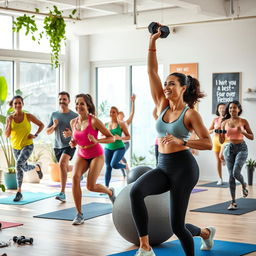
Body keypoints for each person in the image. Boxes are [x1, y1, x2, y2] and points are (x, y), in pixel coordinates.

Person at [130, 25, 215, 256]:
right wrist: (152, 41)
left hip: (184, 169)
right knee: (135, 192)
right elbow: (151, 72)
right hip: (163, 165)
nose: (166, 87)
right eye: (166, 83)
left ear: (183, 88)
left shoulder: (190, 114)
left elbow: (208, 143)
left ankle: (203, 238)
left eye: (172, 84)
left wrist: (183, 142)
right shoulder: (161, 104)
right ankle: (145, 247)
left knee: (176, 225)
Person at [69, 94, 116, 225]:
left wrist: (97, 140)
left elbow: (111, 138)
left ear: (88, 105)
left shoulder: (94, 121)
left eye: (82, 104)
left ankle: (110, 192)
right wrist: (73, 142)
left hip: (96, 154)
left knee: (90, 186)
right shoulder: (73, 122)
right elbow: (76, 139)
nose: (79, 106)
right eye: (77, 103)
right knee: (75, 178)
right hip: (82, 154)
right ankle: (79, 214)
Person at [5, 95, 44, 202]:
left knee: (18, 164)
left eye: (19, 103)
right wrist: (8, 122)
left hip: (27, 145)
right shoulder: (10, 118)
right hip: (15, 147)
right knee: (23, 167)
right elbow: (7, 135)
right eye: (15, 103)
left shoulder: (28, 116)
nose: (17, 105)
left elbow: (41, 125)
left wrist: (35, 135)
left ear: (22, 104)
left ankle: (19, 192)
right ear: (12, 106)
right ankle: (37, 167)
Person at [219, 100, 254, 210]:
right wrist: (220, 132)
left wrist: (242, 132)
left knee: (235, 172)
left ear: (238, 109)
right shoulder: (224, 123)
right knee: (230, 176)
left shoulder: (243, 121)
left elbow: (252, 137)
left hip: (242, 149)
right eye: (230, 108)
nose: (232, 110)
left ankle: (243, 184)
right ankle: (233, 202)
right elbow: (221, 141)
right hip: (230, 149)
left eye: (234, 108)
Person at [46, 91, 78, 202]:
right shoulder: (54, 115)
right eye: (60, 99)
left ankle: (62, 192)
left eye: (64, 99)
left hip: (70, 144)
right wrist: (54, 125)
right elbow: (48, 132)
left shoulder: (74, 116)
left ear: (68, 101)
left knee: (62, 164)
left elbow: (80, 132)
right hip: (57, 146)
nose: (62, 101)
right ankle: (77, 170)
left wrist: (71, 134)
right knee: (63, 167)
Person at [105, 106, 130, 187]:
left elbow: (128, 136)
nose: (111, 113)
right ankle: (106, 187)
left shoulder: (121, 124)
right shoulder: (106, 124)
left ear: (117, 113)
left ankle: (124, 166)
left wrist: (120, 138)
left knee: (113, 164)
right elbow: (103, 136)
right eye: (110, 112)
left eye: (114, 112)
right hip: (108, 148)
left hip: (119, 148)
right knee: (108, 167)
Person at [118, 94, 136, 176]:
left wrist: (133, 102)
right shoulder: (115, 125)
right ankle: (124, 174)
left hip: (125, 143)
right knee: (118, 158)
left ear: (123, 116)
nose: (121, 116)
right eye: (119, 115)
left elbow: (132, 113)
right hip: (118, 144)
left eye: (122, 115)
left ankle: (127, 170)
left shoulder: (126, 123)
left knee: (120, 156)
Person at [208, 103, 226, 185]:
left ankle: (223, 159)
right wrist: (214, 130)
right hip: (215, 140)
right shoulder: (215, 120)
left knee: (221, 156)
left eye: (223, 108)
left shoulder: (228, 119)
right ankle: (220, 179)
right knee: (218, 161)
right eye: (220, 108)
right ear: (218, 110)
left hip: (225, 140)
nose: (221, 109)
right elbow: (208, 131)